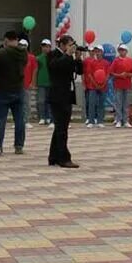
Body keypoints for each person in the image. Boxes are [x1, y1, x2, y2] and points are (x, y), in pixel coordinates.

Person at [45, 37, 82, 168]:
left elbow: (79, 71)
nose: (71, 47)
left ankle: (53, 156)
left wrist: (77, 58)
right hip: (57, 96)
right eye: (69, 45)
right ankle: (64, 158)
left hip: (67, 95)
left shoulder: (69, 57)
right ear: (62, 45)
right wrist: (67, 55)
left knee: (61, 127)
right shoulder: (53, 55)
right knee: (61, 128)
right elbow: (54, 67)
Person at [0, 32, 28, 154]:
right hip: (19, 89)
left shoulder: (1, 53)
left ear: (6, 40)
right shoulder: (23, 53)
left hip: (4, 89)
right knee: (20, 119)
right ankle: (19, 146)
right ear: (16, 40)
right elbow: (24, 65)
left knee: (1, 119)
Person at [109, 41, 132, 128]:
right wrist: (119, 75)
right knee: (118, 103)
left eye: (123, 50)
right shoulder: (116, 61)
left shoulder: (130, 61)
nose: (122, 52)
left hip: (127, 85)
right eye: (120, 50)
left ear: (126, 51)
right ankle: (118, 120)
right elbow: (111, 72)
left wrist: (127, 74)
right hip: (118, 85)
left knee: (126, 103)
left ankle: (126, 121)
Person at [83, 47, 110, 127]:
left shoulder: (106, 63)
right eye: (96, 51)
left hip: (103, 87)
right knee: (92, 103)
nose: (97, 53)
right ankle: (91, 121)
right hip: (93, 86)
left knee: (101, 104)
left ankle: (100, 121)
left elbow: (108, 75)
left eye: (99, 51)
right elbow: (90, 75)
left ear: (102, 52)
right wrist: (96, 84)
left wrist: (103, 84)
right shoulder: (92, 62)